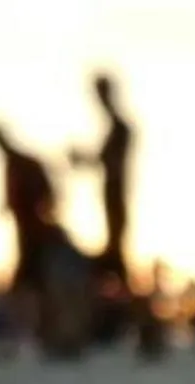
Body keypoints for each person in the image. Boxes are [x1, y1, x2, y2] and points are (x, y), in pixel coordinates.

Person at [0, 121, 77, 359]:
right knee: (32, 289)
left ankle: (46, 336)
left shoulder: (25, 163)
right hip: (26, 237)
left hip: (35, 238)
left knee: (36, 289)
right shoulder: (14, 165)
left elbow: (48, 197)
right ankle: (39, 336)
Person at [70, 73, 136, 283]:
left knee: (115, 247)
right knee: (114, 244)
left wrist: (84, 159)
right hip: (111, 192)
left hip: (116, 192)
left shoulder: (120, 127)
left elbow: (109, 162)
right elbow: (103, 161)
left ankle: (123, 294)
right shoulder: (116, 127)